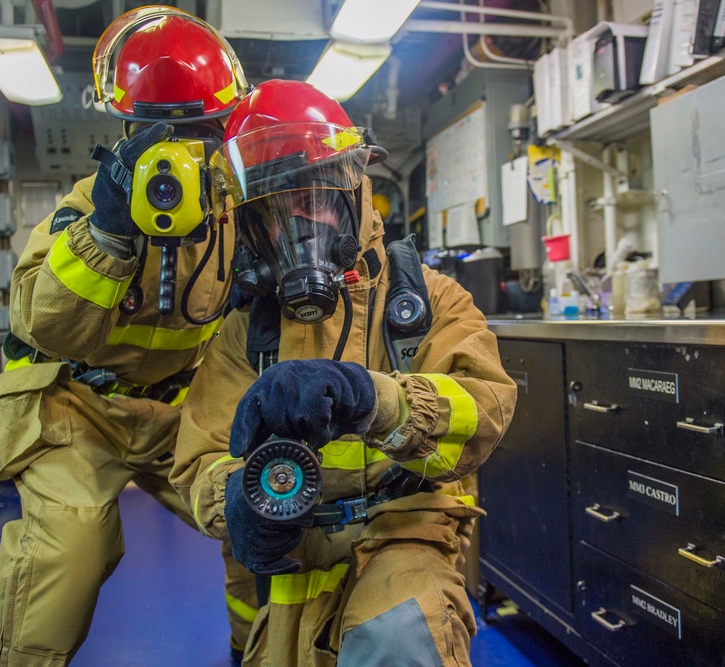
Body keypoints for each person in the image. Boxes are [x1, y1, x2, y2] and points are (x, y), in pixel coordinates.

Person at [170, 79, 518, 666]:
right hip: (288, 564)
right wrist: (237, 498)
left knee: (396, 640)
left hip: (402, 535)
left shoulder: (429, 303)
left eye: (318, 198)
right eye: (278, 211)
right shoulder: (244, 333)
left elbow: (482, 412)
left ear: (356, 189)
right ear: (251, 230)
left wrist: (374, 400)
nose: (302, 227)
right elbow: (199, 459)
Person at [0, 7, 258, 665]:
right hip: (74, 408)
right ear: (126, 132)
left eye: (202, 133)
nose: (184, 153)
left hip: (177, 408)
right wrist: (107, 233)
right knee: (72, 545)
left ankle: (260, 650)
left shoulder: (233, 220)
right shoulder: (83, 213)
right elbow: (40, 322)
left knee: (258, 508)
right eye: (161, 134)